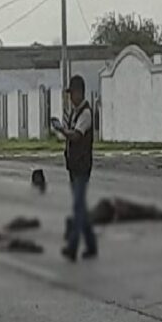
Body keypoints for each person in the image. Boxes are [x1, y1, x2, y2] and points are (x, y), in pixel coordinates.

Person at [57, 75, 97, 262]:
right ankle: (91, 245)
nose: (70, 97)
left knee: (78, 207)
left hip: (82, 165)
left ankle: (72, 247)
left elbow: (76, 136)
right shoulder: (74, 112)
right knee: (81, 207)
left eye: (72, 93)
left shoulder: (86, 114)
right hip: (73, 165)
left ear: (79, 93)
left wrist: (62, 131)